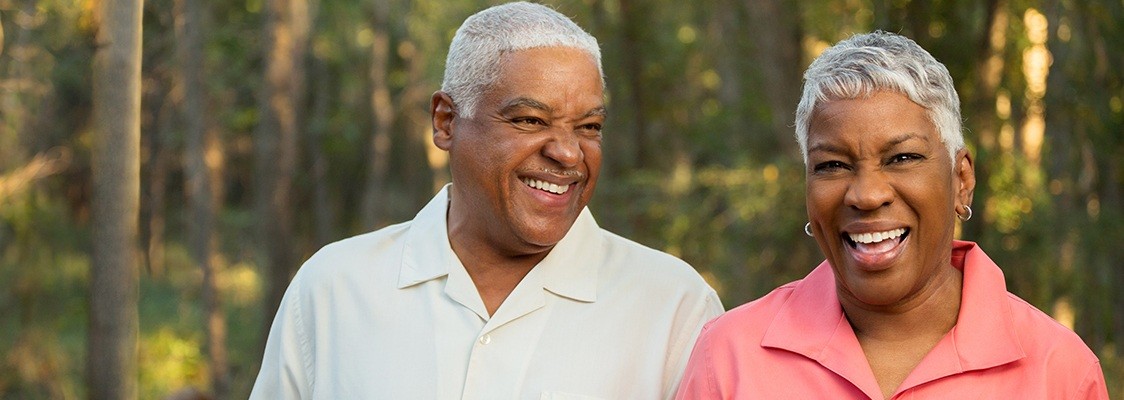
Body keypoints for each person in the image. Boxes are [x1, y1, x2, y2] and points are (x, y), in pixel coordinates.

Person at [250, 2, 723, 399]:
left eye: (589, 127)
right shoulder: (335, 288)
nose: (567, 152)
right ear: (446, 122)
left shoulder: (674, 307)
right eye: (530, 120)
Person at [675, 31, 1109, 399]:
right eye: (832, 165)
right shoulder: (730, 358)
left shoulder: (1059, 371)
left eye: (902, 158)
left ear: (961, 179)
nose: (866, 195)